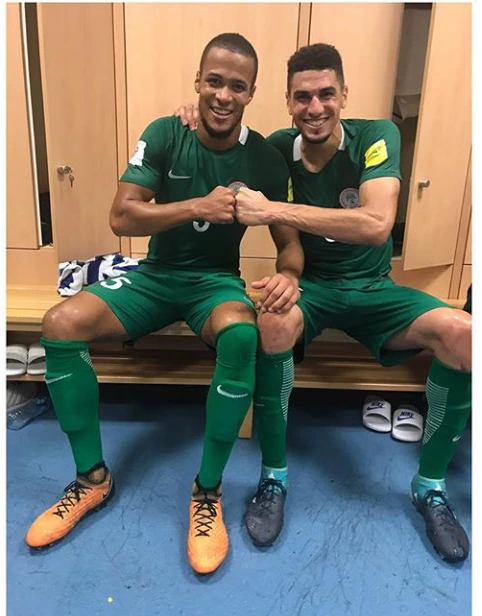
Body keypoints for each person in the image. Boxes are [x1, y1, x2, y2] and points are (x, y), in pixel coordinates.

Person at [177, 42, 472, 563]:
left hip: (374, 290)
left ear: (344, 95)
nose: (315, 107)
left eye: (326, 94)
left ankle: (430, 487)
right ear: (288, 102)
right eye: (302, 97)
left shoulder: (376, 136)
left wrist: (275, 209)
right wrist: (190, 116)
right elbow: (223, 144)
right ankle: (274, 477)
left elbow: (376, 224)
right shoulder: (275, 148)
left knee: (463, 334)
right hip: (311, 289)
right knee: (271, 324)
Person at [24, 32, 303, 576]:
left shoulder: (266, 161)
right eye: (214, 81)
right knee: (59, 322)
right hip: (155, 277)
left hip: (214, 284)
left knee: (242, 334)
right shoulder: (165, 133)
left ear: (252, 94)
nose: (223, 95)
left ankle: (207, 493)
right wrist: (196, 205)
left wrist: (288, 275)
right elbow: (122, 216)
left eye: (237, 86)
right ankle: (90, 480)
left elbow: (289, 243)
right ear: (198, 81)